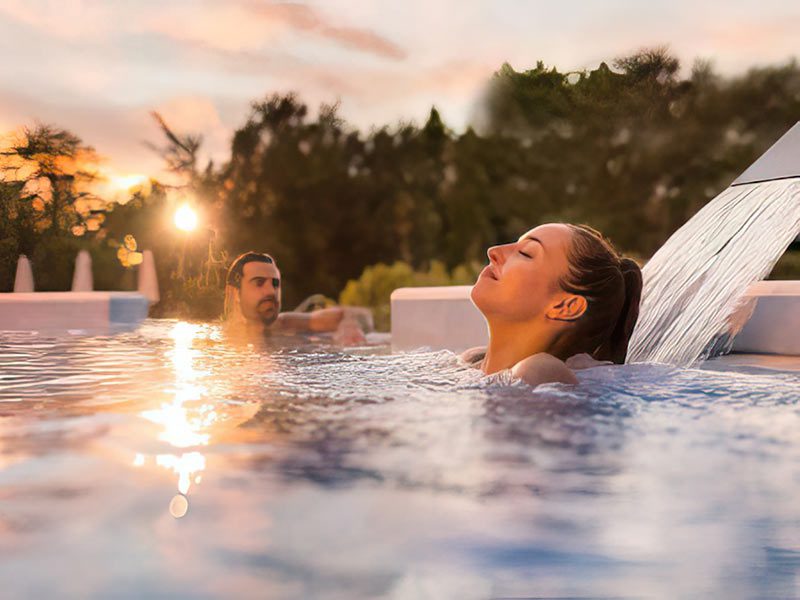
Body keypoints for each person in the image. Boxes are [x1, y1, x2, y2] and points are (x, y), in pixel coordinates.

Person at [463, 223, 642, 386]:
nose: (493, 251)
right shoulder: (470, 362)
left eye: (526, 253)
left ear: (566, 307)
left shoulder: (539, 371)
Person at [222, 251, 372, 343]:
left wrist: (349, 325)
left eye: (275, 283)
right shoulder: (216, 342)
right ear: (236, 293)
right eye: (259, 283)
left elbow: (351, 314)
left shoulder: (285, 325)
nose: (271, 291)